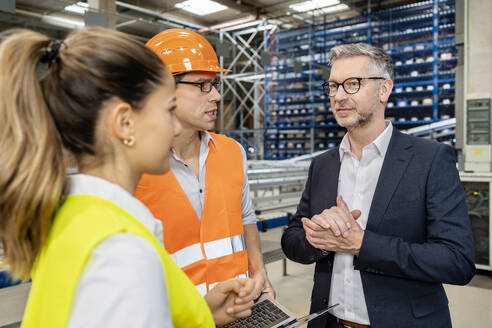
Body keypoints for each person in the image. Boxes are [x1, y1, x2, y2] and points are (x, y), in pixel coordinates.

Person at [0, 27, 255, 328]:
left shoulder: (71, 218)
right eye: (167, 110)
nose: (174, 129)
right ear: (124, 123)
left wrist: (201, 313)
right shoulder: (122, 252)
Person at [281, 43, 475, 328]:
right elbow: (292, 239)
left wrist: (362, 244)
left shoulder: (430, 160)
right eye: (333, 86)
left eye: (352, 84)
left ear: (384, 89)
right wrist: (317, 238)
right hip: (329, 322)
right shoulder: (323, 164)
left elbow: (456, 261)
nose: (339, 96)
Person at [135, 29, 275, 299]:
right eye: (202, 85)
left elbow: (246, 218)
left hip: (238, 307)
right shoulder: (134, 167)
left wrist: (259, 273)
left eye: (215, 85)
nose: (216, 97)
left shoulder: (232, 151)